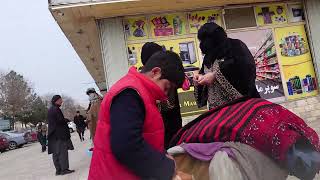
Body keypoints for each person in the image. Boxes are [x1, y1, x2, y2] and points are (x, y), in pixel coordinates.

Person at [169, 22, 320, 180]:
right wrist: (198, 78)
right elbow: (204, 73)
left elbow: (246, 68)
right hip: (218, 111)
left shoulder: (235, 47)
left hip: (243, 109)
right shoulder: (208, 57)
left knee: (253, 145)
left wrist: (216, 75)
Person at [89, 51, 192, 180]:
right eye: (166, 87)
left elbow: (144, 137)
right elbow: (126, 146)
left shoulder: (141, 93)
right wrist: (166, 167)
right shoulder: (130, 93)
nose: (165, 95)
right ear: (155, 72)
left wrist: (162, 155)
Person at [141, 42, 183, 149]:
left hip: (170, 128)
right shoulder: (140, 87)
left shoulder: (166, 78)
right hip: (162, 134)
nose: (165, 92)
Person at [47, 95, 75, 176]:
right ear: (56, 100)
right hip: (59, 135)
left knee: (55, 153)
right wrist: (66, 120)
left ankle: (58, 170)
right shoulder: (56, 109)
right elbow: (59, 121)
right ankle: (64, 169)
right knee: (62, 152)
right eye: (60, 100)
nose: (62, 101)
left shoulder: (50, 109)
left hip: (53, 135)